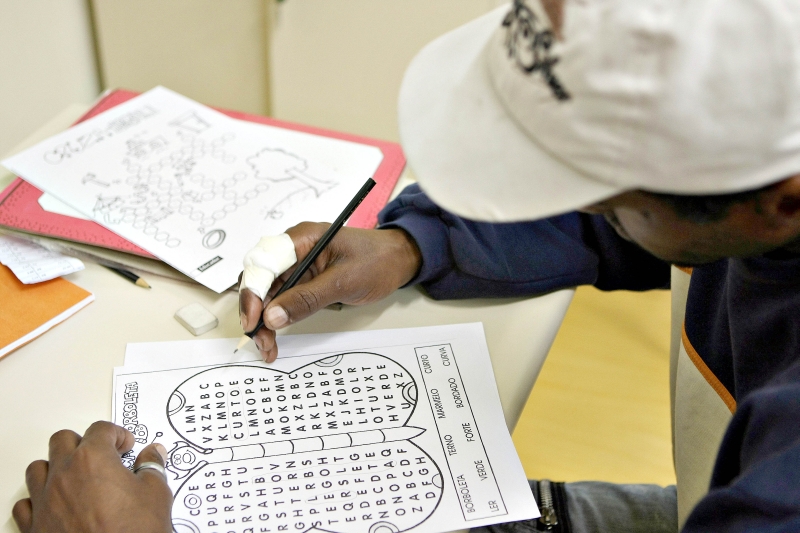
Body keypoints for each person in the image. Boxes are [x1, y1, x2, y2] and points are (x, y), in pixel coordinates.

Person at [15, 0, 800, 531]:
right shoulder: (739, 187)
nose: (580, 207)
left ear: (780, 202)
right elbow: (628, 228)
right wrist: (413, 243)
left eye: (605, 196)